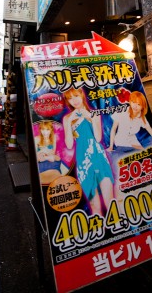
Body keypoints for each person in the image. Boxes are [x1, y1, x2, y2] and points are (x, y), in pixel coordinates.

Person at [63, 87, 114, 216]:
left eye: (76, 96)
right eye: (70, 98)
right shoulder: (67, 118)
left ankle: (118, 227)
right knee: (94, 205)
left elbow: (98, 138)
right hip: (83, 162)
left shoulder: (94, 114)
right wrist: (69, 122)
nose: (74, 101)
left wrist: (90, 117)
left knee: (109, 201)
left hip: (99, 158)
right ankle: (102, 231)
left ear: (82, 94)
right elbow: (69, 145)